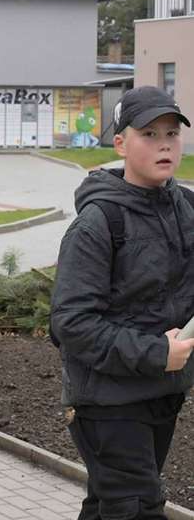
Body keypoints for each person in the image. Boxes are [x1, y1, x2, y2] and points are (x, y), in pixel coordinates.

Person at [50, 86, 194, 520]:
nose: (164, 143)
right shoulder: (98, 223)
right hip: (107, 403)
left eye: (172, 132)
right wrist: (155, 352)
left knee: (109, 506)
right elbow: (70, 325)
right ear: (120, 143)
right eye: (149, 134)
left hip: (163, 392)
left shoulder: (186, 208)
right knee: (139, 507)